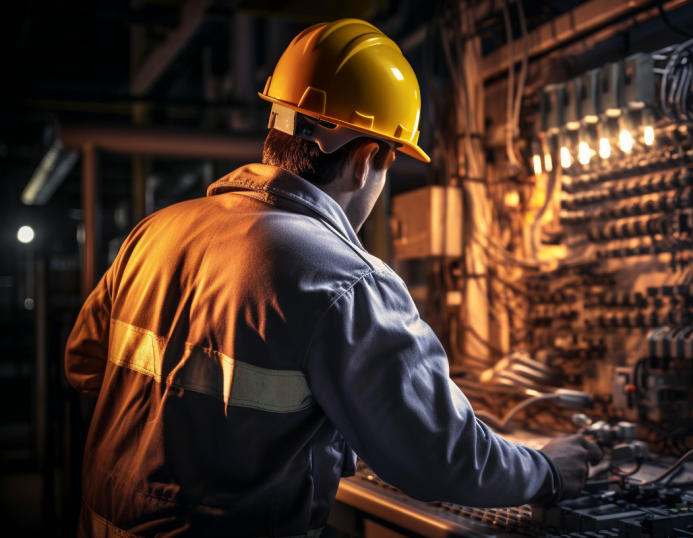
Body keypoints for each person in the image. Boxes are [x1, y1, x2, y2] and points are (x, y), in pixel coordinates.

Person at [64, 18, 601, 537]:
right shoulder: (343, 278)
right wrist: (547, 471)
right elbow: (440, 457)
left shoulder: (153, 233)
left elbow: (84, 365)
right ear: (368, 159)